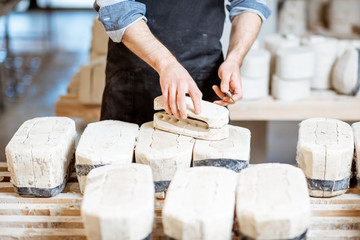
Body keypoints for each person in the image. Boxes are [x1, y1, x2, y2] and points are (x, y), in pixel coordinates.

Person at [94, 0, 271, 126]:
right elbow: (117, 8)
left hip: (206, 77)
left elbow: (249, 3)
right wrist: (166, 64)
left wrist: (234, 59)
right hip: (133, 80)